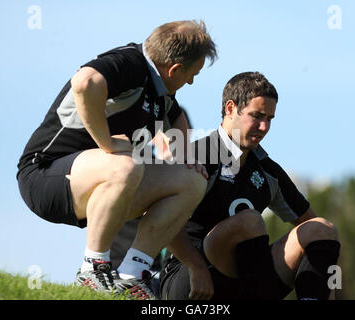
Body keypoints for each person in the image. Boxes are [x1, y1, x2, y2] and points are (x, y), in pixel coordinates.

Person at [16, 20, 217, 300]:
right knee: (127, 163)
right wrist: (107, 142)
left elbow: (175, 116)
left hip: (97, 180)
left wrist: (184, 156)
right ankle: (92, 269)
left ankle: (132, 274)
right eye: (192, 74)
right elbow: (85, 82)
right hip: (44, 175)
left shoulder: (160, 93)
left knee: (192, 180)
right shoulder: (131, 63)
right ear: (175, 69)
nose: (191, 82)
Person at [160, 72, 341, 300]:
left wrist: (329, 283)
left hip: (249, 283)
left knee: (322, 229)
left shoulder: (267, 169)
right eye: (256, 116)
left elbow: (310, 228)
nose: (264, 127)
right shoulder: (195, 156)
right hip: (190, 280)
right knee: (250, 221)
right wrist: (196, 267)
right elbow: (157, 219)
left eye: (270, 119)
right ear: (230, 108)